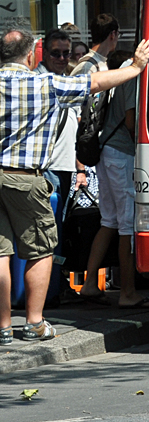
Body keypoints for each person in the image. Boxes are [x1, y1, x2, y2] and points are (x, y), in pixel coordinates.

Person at [1, 22, 149, 342]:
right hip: (25, 178)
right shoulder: (45, 84)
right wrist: (137, 67)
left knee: (0, 253)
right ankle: (34, 323)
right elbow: (96, 81)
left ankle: (2, 328)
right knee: (40, 251)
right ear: (31, 55)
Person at [72, 17, 149, 309]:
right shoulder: (132, 74)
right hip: (121, 154)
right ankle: (128, 292)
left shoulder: (119, 69)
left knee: (108, 220)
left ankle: (89, 284)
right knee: (126, 225)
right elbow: (132, 121)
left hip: (106, 151)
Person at [33, 29, 78, 256]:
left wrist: (79, 168)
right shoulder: (38, 80)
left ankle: (55, 284)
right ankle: (49, 287)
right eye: (56, 53)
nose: (61, 58)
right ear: (44, 54)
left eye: (66, 53)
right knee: (47, 229)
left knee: (58, 227)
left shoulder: (68, 81)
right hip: (46, 168)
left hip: (65, 166)